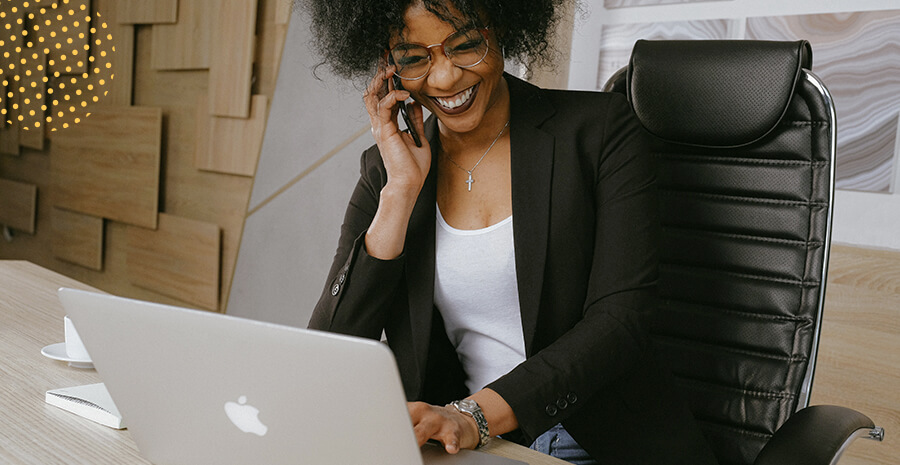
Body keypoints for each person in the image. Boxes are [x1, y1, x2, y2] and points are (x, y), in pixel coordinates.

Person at [301, 0, 717, 463]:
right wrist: (400, 191)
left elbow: (620, 321)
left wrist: (472, 417)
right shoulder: (388, 170)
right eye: (415, 57)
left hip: (593, 436)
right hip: (459, 444)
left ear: (502, 30)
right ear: (388, 65)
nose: (444, 79)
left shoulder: (600, 133)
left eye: (466, 46)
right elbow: (332, 345)